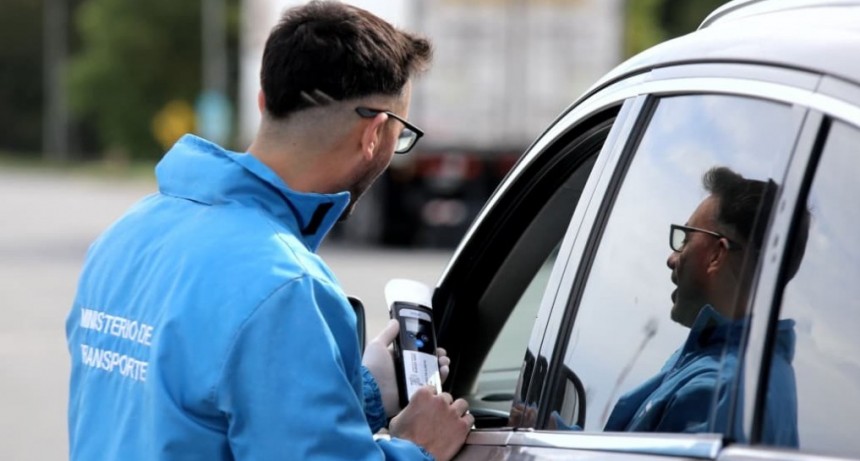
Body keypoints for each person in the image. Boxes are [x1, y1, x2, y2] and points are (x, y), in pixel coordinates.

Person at [65, 2, 473, 460]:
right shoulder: (287, 288)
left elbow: (193, 410)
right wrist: (418, 448)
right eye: (400, 136)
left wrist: (365, 392)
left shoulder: (125, 236)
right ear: (373, 134)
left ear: (264, 101)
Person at [603, 166, 806, 446]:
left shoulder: (715, 389)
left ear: (716, 255)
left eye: (685, 239)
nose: (672, 259)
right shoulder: (758, 370)